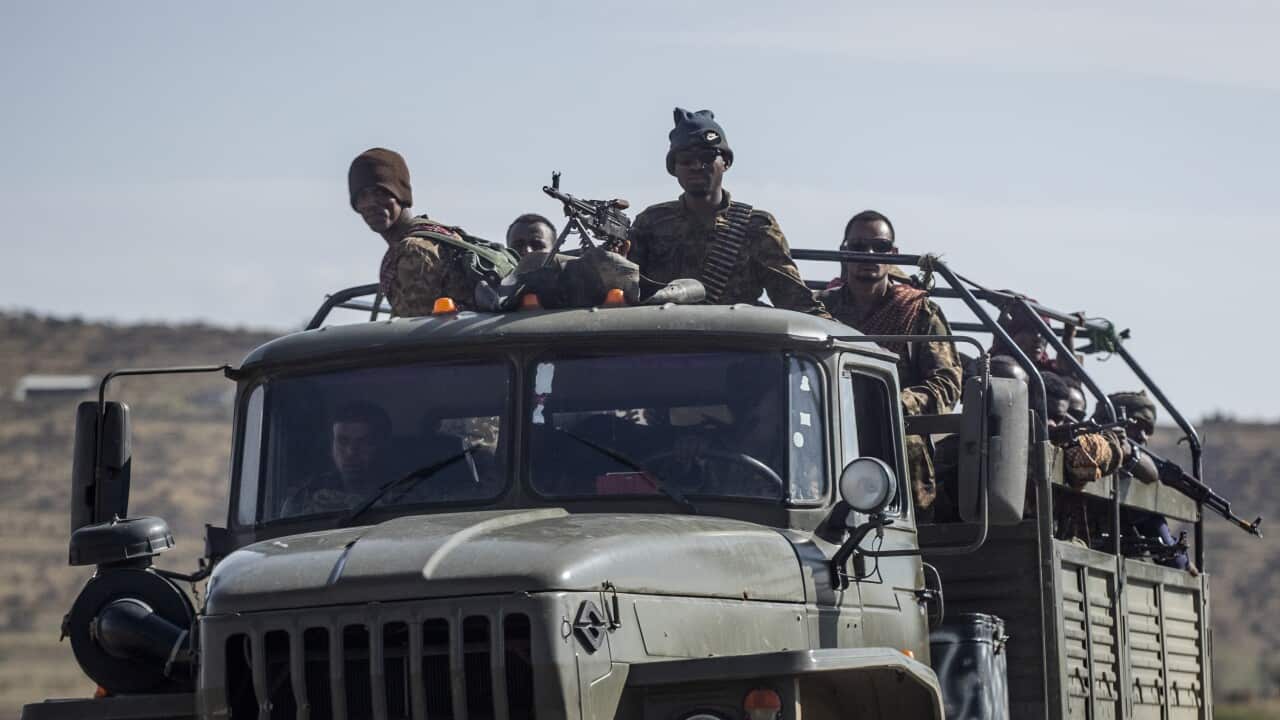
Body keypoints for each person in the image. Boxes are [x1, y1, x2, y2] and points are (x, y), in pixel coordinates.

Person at [820, 210, 962, 518]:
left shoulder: (919, 313)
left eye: (880, 248)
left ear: (893, 254)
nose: (869, 255)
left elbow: (947, 384)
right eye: (859, 246)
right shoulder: (820, 312)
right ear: (845, 251)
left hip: (895, 442)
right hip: (824, 439)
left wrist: (896, 402)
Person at [627, 108, 828, 316]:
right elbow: (622, 290)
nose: (696, 166)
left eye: (706, 156)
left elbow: (794, 299)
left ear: (726, 163)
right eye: (686, 159)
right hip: (661, 339)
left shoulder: (755, 226)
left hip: (734, 341)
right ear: (674, 168)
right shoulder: (652, 222)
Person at [349, 148, 513, 316]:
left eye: (380, 192)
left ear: (401, 194)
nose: (371, 203)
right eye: (362, 196)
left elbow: (414, 330)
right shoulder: (430, 236)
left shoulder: (414, 250)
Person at [281, 402, 393, 517]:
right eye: (342, 441)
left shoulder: (404, 495)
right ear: (331, 446)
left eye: (364, 442)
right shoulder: (302, 500)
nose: (351, 452)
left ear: (382, 445)